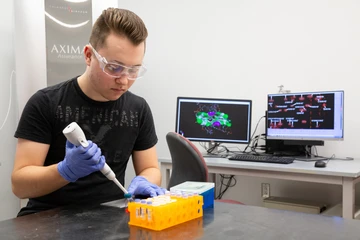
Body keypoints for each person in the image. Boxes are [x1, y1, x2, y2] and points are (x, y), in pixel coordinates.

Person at [11, 8, 165, 217]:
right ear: (88, 55)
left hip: (109, 221)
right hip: (47, 221)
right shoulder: (46, 103)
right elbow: (20, 186)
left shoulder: (138, 109)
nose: (124, 80)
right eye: (114, 67)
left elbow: (151, 169)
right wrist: (65, 171)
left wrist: (144, 181)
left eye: (133, 70)